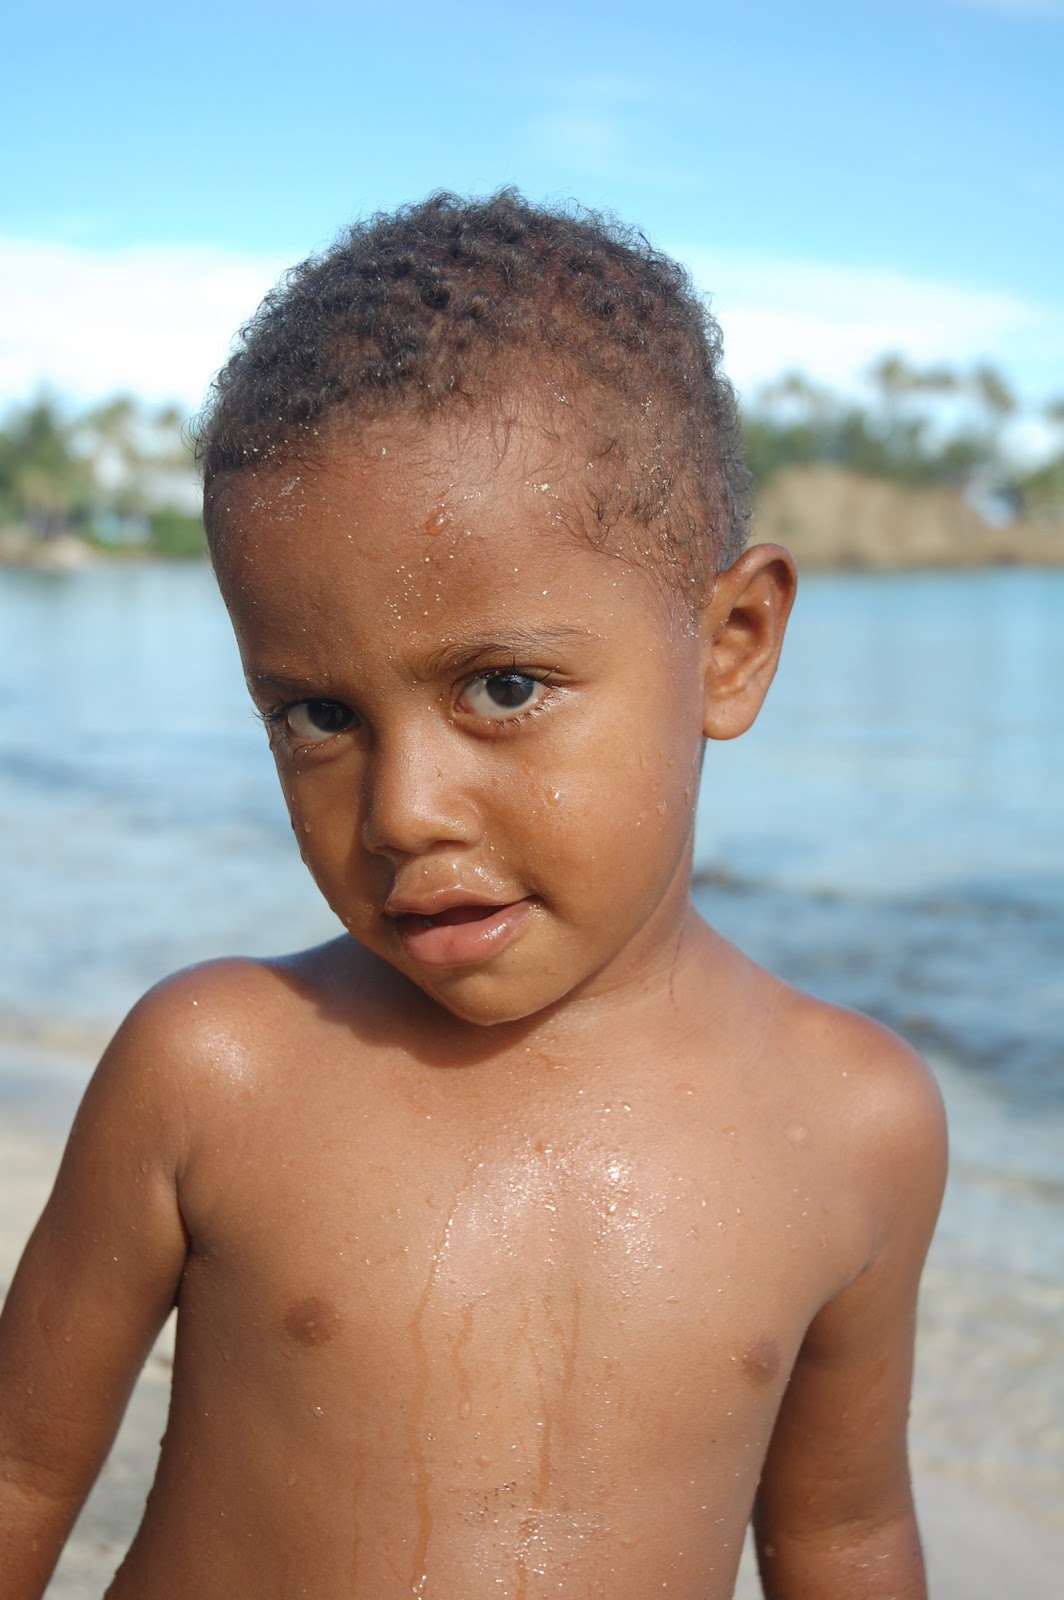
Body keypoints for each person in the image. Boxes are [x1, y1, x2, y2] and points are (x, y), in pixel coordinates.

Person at [0, 191, 946, 1600]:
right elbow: (19, 1474)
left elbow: (843, 1536)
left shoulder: (857, 1124)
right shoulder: (216, 1072)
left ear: (734, 645)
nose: (401, 810)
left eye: (503, 689)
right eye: (318, 715)